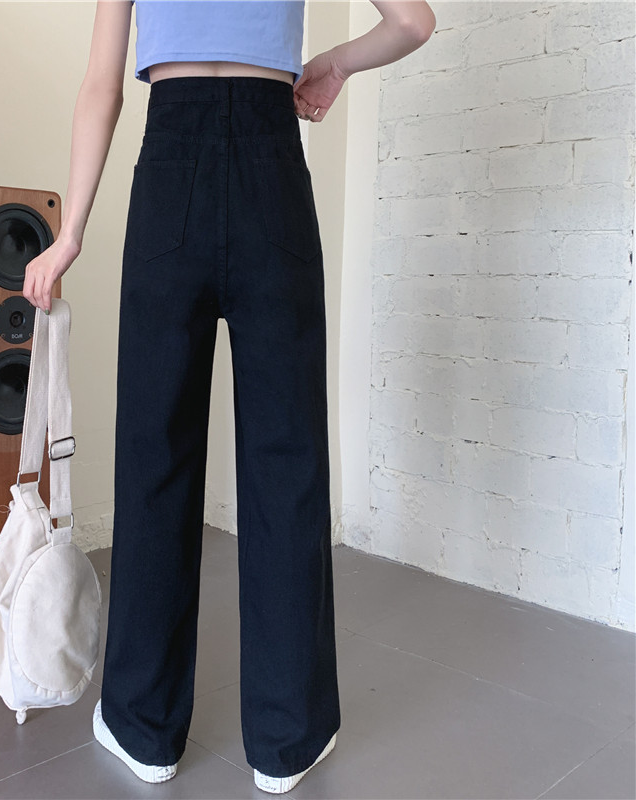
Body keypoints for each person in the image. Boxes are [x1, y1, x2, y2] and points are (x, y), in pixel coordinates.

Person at [23, 0, 435, 793]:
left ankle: (144, 729)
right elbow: (413, 23)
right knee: (287, 461)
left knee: (155, 455)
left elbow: (102, 85)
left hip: (170, 167)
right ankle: (288, 739)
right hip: (271, 168)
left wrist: (70, 231)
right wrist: (335, 64)